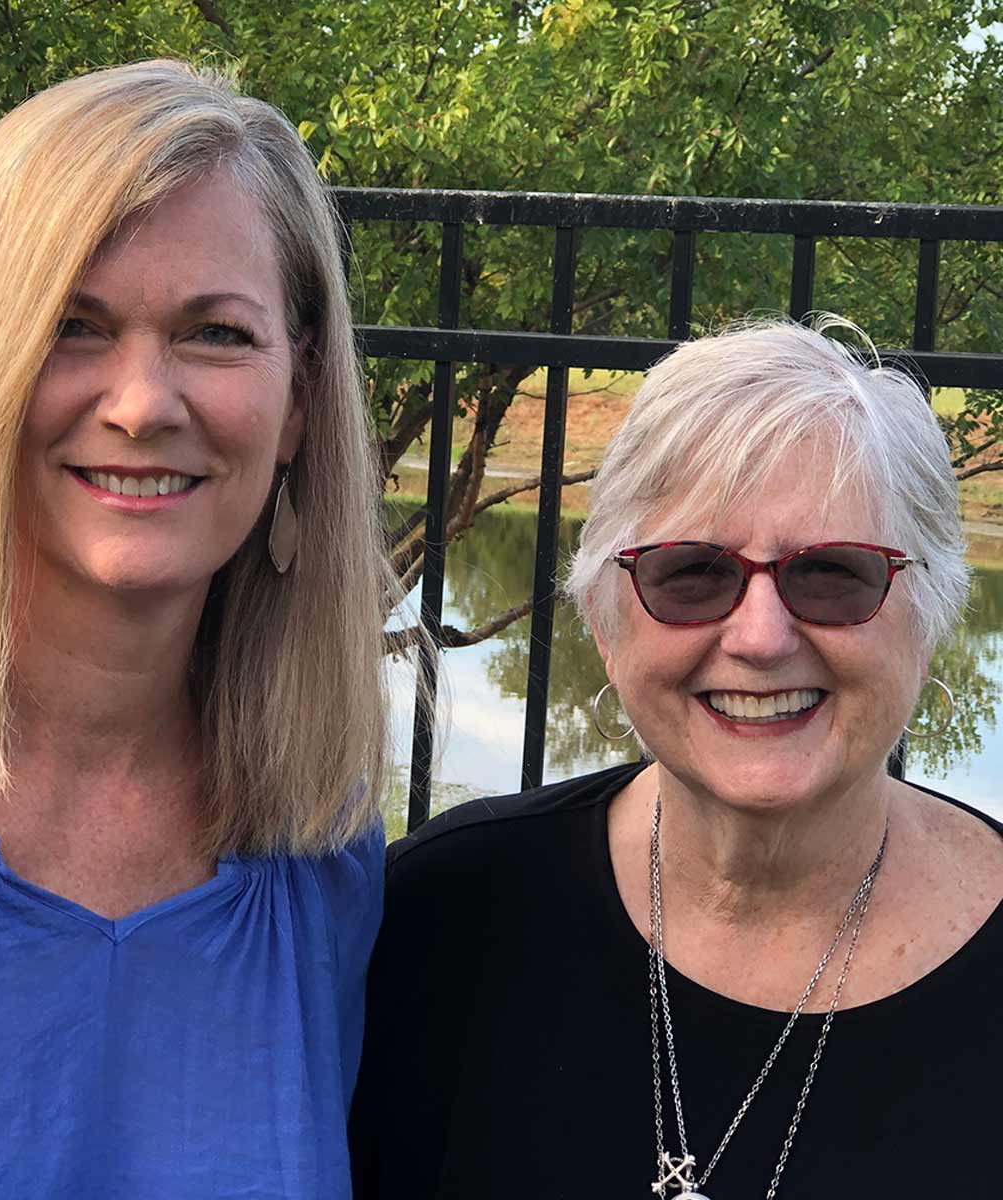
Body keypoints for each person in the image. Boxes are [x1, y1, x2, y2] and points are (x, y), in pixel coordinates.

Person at [0, 61, 394, 1198]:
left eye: (216, 334)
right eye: (72, 326)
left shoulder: (319, 857)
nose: (141, 402)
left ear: (301, 401)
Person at [350, 318, 1003, 1198]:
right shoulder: (433, 917)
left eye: (834, 575)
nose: (763, 638)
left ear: (930, 614)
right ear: (603, 621)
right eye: (691, 573)